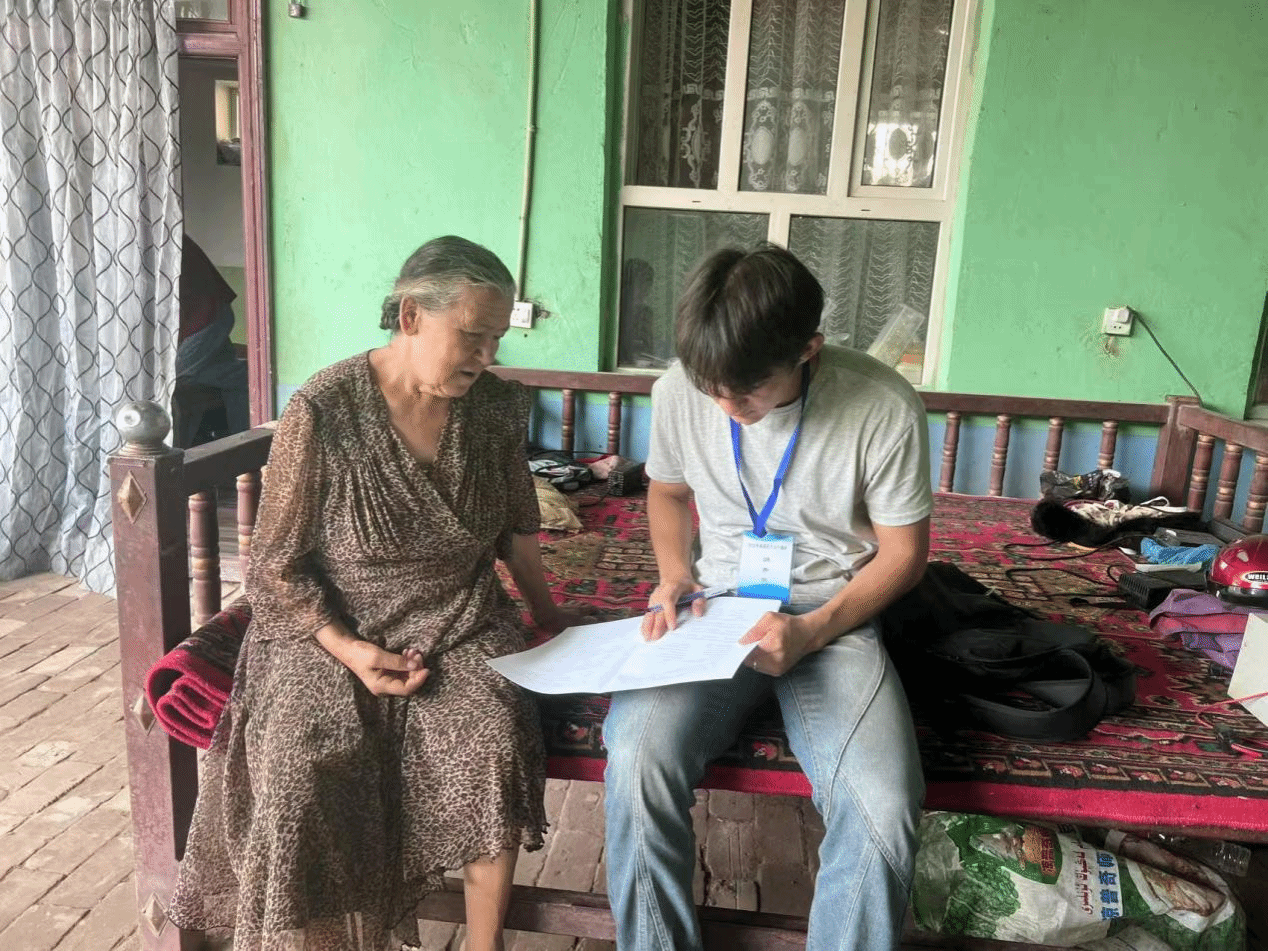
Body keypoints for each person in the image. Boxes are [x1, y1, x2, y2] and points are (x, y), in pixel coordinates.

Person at [169, 236, 583, 951]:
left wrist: (549, 617)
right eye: (473, 335)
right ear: (412, 315)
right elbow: (274, 565)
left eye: (497, 338)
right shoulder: (324, 408)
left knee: (494, 734)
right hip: (329, 625)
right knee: (299, 765)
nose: (487, 355)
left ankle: (483, 945)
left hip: (457, 618)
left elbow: (516, 531)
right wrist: (349, 648)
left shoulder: (494, 410)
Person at [603, 244, 933, 950]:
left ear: (809, 349)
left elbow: (905, 554)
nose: (726, 405)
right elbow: (667, 492)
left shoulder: (880, 405)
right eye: (711, 387)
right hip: (714, 609)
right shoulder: (679, 390)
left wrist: (812, 631)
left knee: (883, 803)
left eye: (747, 391)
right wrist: (674, 572)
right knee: (635, 756)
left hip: (831, 617)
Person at [175, 235, 251, 440]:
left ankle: (244, 445)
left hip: (207, 316)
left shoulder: (153, 233)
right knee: (233, 378)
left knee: (171, 380)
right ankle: (242, 444)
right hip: (205, 316)